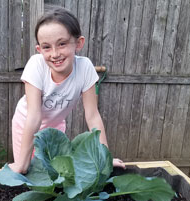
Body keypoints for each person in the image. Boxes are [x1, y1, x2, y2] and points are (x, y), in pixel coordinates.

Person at [8, 7, 125, 174]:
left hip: (55, 128)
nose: (55, 54)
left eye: (62, 44)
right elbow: (34, 116)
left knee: (56, 172)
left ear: (78, 43)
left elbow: (92, 116)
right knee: (28, 171)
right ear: (39, 49)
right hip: (26, 125)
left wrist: (105, 158)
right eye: (47, 47)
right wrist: (21, 163)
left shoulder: (85, 68)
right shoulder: (36, 65)